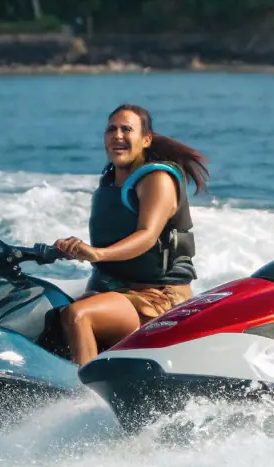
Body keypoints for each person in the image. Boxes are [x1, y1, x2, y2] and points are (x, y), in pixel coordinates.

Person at [53, 104, 208, 366]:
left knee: (78, 315)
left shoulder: (156, 178)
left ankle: (86, 399)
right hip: (118, 291)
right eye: (111, 129)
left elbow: (147, 235)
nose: (118, 135)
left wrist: (98, 254)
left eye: (127, 129)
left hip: (159, 297)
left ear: (146, 139)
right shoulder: (110, 180)